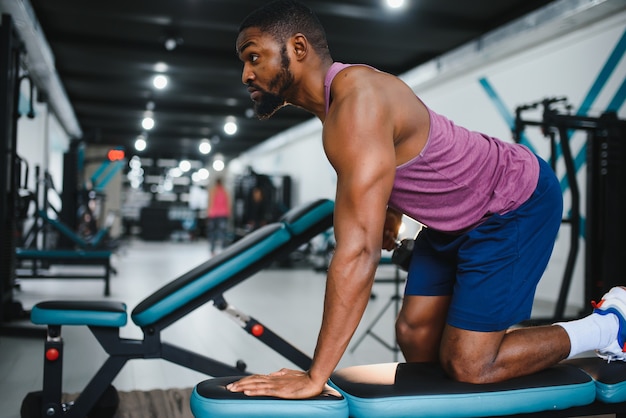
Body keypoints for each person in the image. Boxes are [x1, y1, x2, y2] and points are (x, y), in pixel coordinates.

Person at [227, 0, 625, 399]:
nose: (246, 74)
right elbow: (405, 154)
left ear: (298, 49)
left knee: (470, 364)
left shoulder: (356, 101)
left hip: (511, 204)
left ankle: (610, 325)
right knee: (415, 334)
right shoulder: (338, 105)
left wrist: (315, 376)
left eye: (254, 57)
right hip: (453, 221)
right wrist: (390, 207)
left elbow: (358, 253)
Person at [206, 178, 231, 255]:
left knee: (214, 232)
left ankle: (213, 249)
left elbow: (210, 202)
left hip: (214, 214)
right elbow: (228, 203)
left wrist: (208, 213)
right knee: (222, 232)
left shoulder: (214, 191)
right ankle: (222, 248)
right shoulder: (224, 191)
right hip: (222, 214)